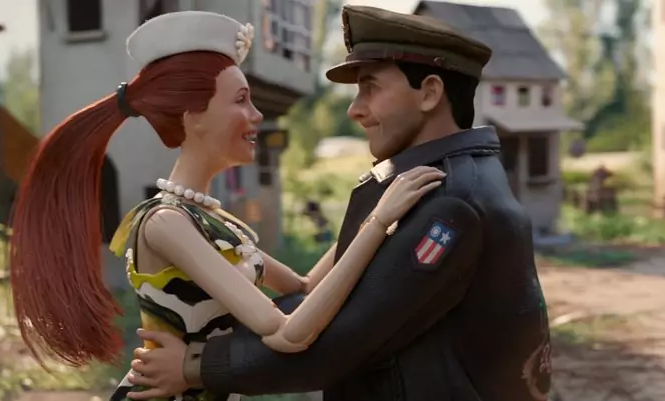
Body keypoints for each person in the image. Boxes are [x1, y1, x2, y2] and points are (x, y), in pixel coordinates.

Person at [6, 10, 444, 401]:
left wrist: (372, 204)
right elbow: (287, 334)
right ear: (192, 117)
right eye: (240, 100)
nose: (256, 115)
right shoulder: (165, 223)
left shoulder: (213, 221)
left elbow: (305, 287)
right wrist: (377, 222)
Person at [125, 6, 553, 401]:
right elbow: (307, 300)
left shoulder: (446, 200)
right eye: (240, 100)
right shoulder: (433, 181)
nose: (354, 110)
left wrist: (195, 366)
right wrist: (376, 221)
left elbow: (334, 340)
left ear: (429, 93)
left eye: (370, 88)